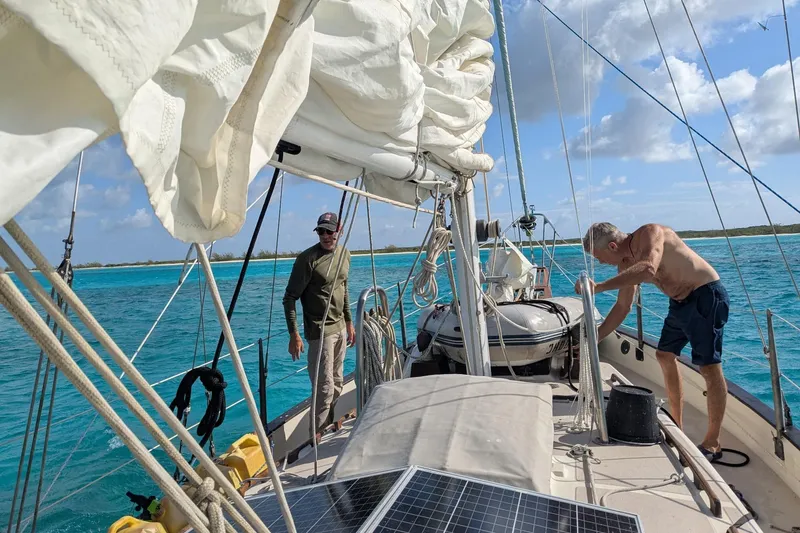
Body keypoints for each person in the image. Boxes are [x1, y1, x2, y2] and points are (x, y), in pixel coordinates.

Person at [576, 222, 730, 461]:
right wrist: (594, 339)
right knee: (664, 355)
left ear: (613, 246)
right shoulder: (625, 265)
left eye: (599, 257)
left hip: (705, 294)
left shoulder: (651, 233)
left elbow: (648, 269)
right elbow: (623, 306)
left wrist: (600, 287)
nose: (601, 263)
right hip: (679, 302)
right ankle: (677, 425)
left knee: (709, 368)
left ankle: (712, 443)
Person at [283, 212, 355, 440]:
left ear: (339, 231)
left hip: (340, 327)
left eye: (329, 231)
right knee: (324, 387)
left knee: (337, 382)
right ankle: (316, 435)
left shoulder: (345, 254)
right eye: (321, 231)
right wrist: (294, 334)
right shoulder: (307, 259)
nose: (325, 236)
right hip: (320, 331)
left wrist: (349, 320)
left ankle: (330, 420)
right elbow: (289, 298)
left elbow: (343, 288)